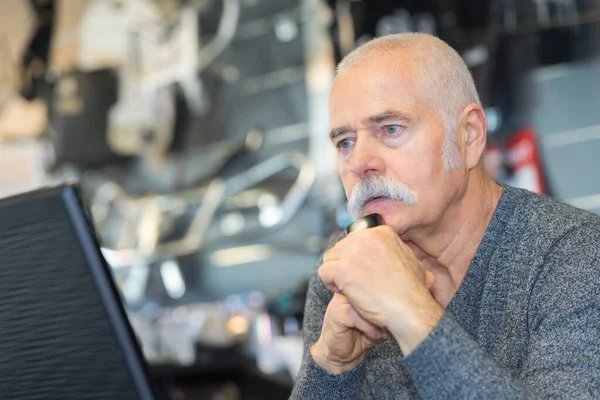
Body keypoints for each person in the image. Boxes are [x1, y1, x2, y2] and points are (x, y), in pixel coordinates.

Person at [290, 32, 600, 399]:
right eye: (345, 142)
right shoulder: (345, 271)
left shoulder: (575, 256)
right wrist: (330, 367)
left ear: (469, 136)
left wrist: (409, 310)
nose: (358, 163)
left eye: (390, 129)